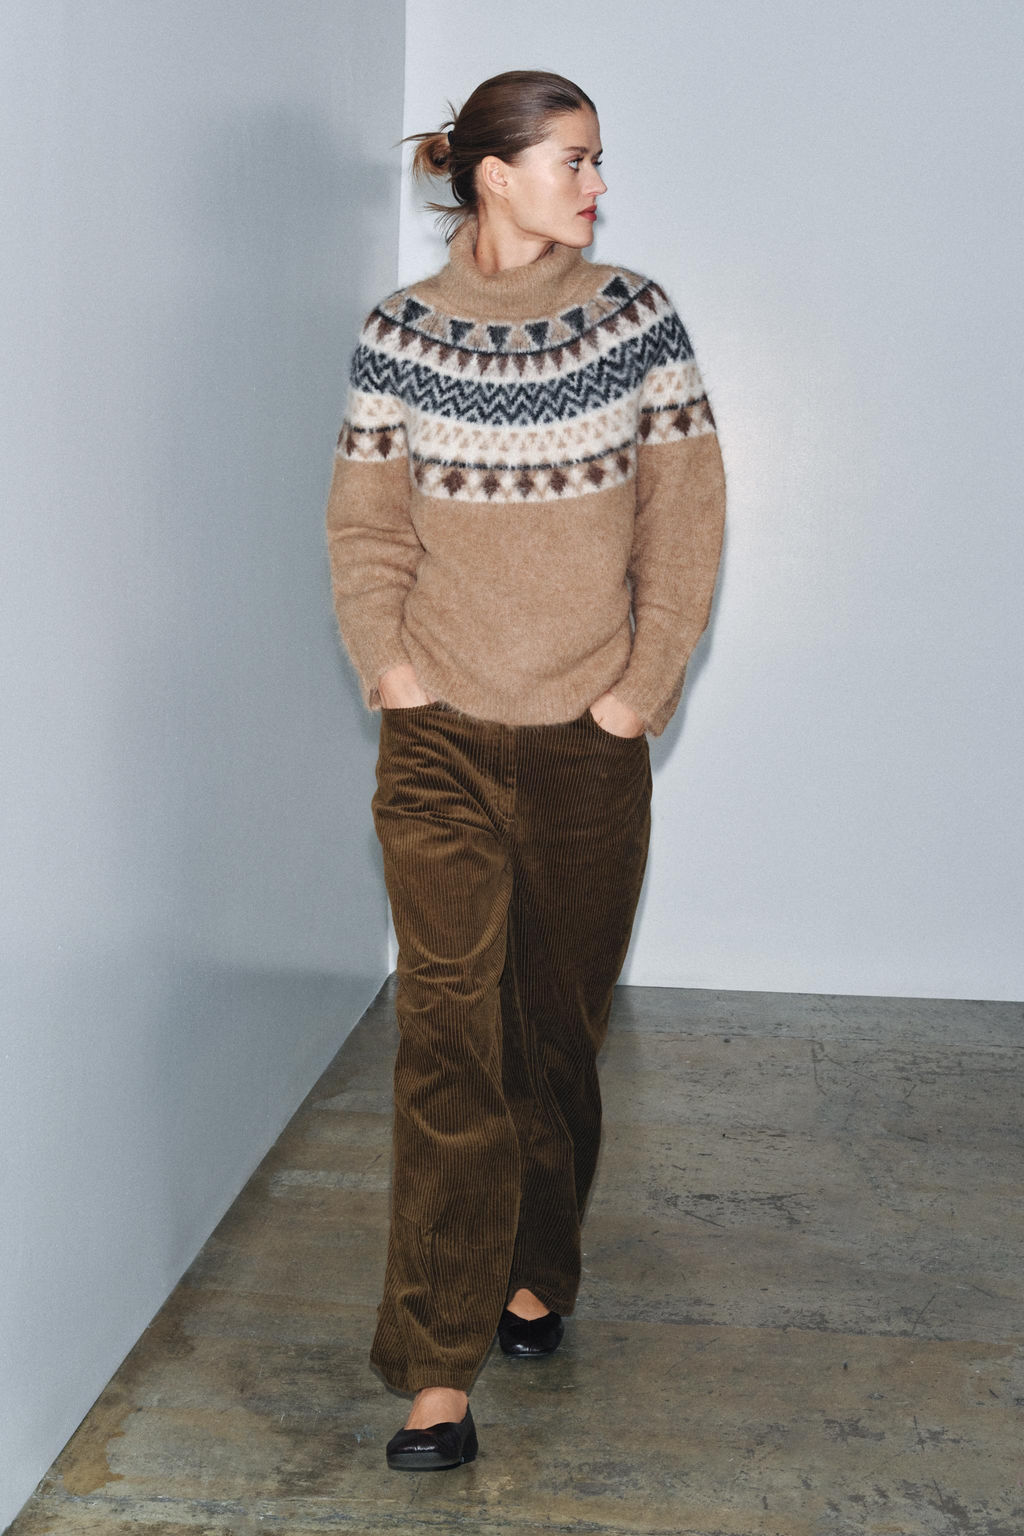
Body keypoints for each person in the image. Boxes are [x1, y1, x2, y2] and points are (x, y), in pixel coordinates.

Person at [325, 69, 726, 1471]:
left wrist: (635, 698)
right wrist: (392, 670)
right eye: (576, 160)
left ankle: (537, 1264)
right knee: (447, 1037)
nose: (597, 185)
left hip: (584, 750)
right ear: (496, 174)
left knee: (551, 1038)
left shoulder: (633, 318)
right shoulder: (401, 334)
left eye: (598, 161)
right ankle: (437, 1370)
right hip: (436, 739)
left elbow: (685, 524)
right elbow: (367, 528)